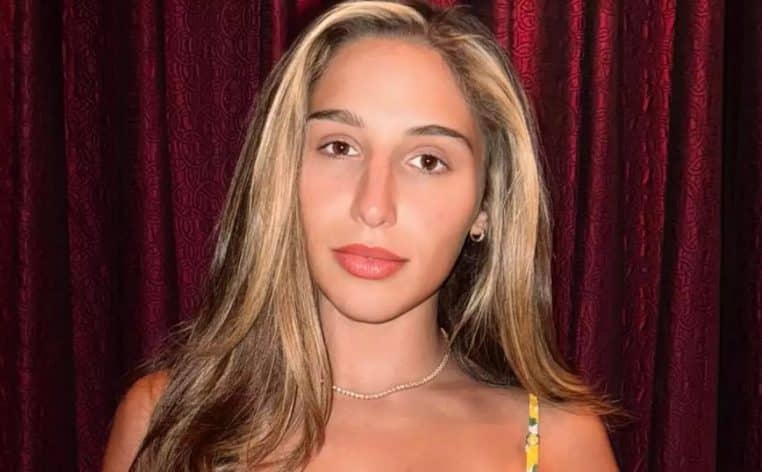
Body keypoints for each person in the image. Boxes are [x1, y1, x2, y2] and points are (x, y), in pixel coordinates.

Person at [102, 1, 624, 470]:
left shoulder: (559, 444)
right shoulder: (169, 422)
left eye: (427, 161)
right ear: (282, 170)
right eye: (340, 147)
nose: (373, 206)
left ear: (485, 206)